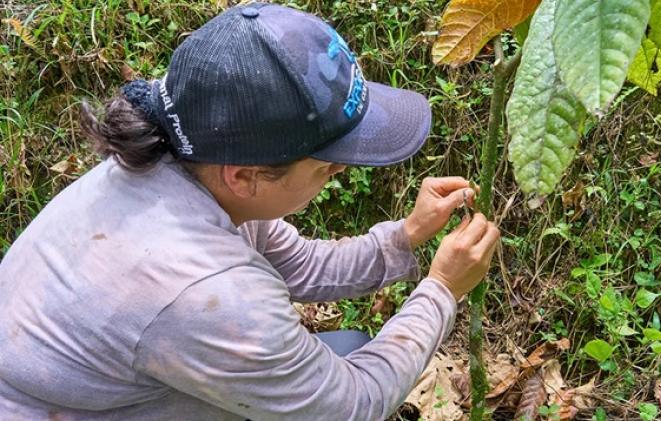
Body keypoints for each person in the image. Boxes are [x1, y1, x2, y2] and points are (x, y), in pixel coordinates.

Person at [0, 3, 500, 420]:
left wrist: (406, 235)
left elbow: (303, 265)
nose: (340, 173)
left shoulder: (187, 151)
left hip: (108, 389)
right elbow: (355, 403)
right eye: (327, 167)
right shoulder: (208, 290)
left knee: (346, 343)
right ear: (244, 176)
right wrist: (441, 290)